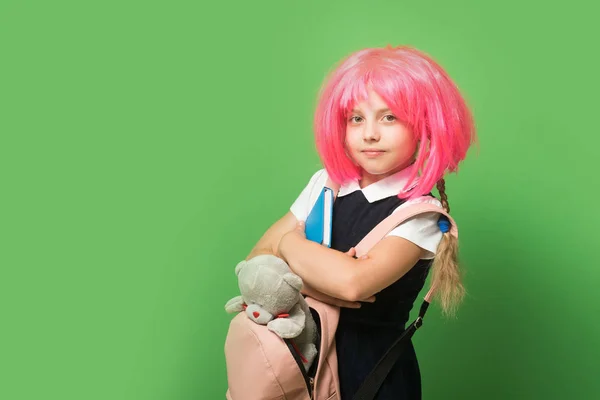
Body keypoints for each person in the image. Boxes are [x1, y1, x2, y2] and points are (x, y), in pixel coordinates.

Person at [245, 45, 477, 399]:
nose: (370, 133)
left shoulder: (420, 213)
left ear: (425, 125)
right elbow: (255, 262)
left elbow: (353, 284)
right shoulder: (326, 183)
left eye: (389, 118)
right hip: (301, 362)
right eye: (357, 118)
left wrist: (288, 245)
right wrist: (317, 284)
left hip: (371, 371)